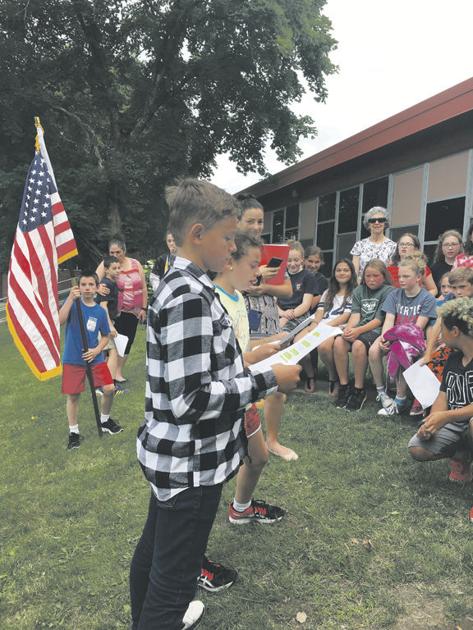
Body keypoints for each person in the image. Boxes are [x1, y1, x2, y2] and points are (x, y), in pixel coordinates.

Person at [129, 179, 301, 630]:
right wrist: (269, 379)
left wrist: (248, 361)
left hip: (178, 459)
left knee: (154, 553)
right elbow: (191, 399)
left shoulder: (186, 285)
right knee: (173, 581)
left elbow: (197, 373)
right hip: (190, 464)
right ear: (198, 233)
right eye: (228, 237)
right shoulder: (189, 294)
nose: (233, 246)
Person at [213, 231, 285, 528]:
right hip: (222, 399)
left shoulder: (239, 298)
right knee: (215, 473)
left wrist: (275, 342)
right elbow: (218, 362)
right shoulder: (213, 302)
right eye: (254, 264)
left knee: (258, 456)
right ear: (230, 261)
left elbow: (243, 346)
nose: (259, 273)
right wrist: (256, 357)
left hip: (244, 392)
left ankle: (240, 509)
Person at [238, 194, 299, 461]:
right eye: (249, 220)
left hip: (270, 323)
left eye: (260, 221)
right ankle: (244, 443)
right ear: (236, 221)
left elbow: (287, 289)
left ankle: (272, 440)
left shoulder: (273, 253)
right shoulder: (230, 252)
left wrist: (265, 286)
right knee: (243, 386)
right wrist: (257, 274)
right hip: (242, 328)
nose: (255, 226)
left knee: (277, 386)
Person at [408, 297, 473, 487]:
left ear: (455, 331)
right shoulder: (453, 359)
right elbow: (443, 395)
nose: (438, 334)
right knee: (417, 448)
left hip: (465, 420)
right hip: (454, 421)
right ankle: (463, 456)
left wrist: (445, 417)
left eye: (442, 328)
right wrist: (431, 423)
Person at [59, 272, 123, 450]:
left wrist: (97, 350)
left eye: (90, 285)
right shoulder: (74, 305)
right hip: (73, 358)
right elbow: (60, 320)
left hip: (95, 358)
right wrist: (70, 298)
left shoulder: (99, 311)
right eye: (83, 285)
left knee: (109, 388)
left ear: (96, 287)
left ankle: (105, 420)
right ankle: (74, 433)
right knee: (73, 395)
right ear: (79, 287)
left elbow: (105, 335)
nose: (87, 288)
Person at [370, 257, 437, 417]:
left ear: (418, 277)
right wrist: (384, 338)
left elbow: (417, 328)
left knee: (399, 351)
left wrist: (393, 340)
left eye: (406, 276)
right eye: (399, 276)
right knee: (373, 350)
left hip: (415, 340)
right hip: (394, 336)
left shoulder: (427, 298)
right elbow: (389, 320)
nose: (401, 280)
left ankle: (400, 400)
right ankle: (382, 393)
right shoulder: (394, 295)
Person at [333, 259, 393, 411]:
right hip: (359, 328)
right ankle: (344, 386)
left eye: (375, 276)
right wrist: (350, 329)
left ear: (384, 276)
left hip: (375, 331)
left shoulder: (389, 291)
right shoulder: (359, 290)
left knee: (359, 345)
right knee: (339, 342)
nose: (371, 280)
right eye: (368, 276)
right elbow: (355, 315)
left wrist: (357, 331)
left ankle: (359, 389)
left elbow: (379, 320)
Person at [298, 258, 357, 395]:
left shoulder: (354, 292)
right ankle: (310, 375)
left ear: (351, 273)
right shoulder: (328, 292)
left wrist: (325, 326)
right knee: (298, 342)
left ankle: (333, 376)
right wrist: (315, 324)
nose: (342, 273)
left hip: (337, 326)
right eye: (338, 270)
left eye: (346, 270)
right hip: (322, 324)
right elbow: (320, 311)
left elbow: (345, 316)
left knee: (324, 347)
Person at [96, 237, 148, 383]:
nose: (115, 255)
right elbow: (94, 279)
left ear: (124, 251)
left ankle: (118, 372)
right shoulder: (106, 264)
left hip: (134, 311)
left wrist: (144, 307)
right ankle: (106, 375)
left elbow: (143, 287)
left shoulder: (135, 263)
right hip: (115, 311)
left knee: (127, 342)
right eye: (112, 252)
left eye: (118, 252)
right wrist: (98, 287)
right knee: (112, 343)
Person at [420, 267, 473, 385]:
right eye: (454, 287)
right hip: (455, 343)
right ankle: (425, 399)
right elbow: (439, 324)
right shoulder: (451, 297)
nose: (458, 292)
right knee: (433, 364)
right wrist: (428, 353)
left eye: (462, 287)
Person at [278, 240, 318, 330]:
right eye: (289, 260)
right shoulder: (280, 275)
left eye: (296, 260)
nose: (292, 264)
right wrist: (283, 314)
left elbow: (306, 305)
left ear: (302, 260)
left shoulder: (308, 276)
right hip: (281, 313)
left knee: (283, 333)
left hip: (299, 314)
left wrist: (287, 317)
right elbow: (273, 302)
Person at [94, 255, 121, 386]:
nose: (117, 270)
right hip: (103, 324)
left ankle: (100, 385)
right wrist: (110, 326)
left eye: (118, 268)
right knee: (113, 352)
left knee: (104, 354)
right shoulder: (106, 284)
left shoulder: (111, 282)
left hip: (104, 323)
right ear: (106, 270)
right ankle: (109, 385)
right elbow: (103, 307)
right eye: (114, 268)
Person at [350, 206, 396, 278]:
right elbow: (354, 273)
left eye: (381, 220)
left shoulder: (393, 246)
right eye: (372, 220)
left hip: (384, 286)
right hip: (362, 286)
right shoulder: (359, 245)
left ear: (385, 223)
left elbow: (392, 273)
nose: (377, 223)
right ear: (368, 224)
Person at [304, 245, 328, 311]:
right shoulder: (297, 275)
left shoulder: (321, 280)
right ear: (303, 260)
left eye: (317, 262)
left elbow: (310, 306)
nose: (313, 265)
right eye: (310, 261)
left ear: (321, 262)